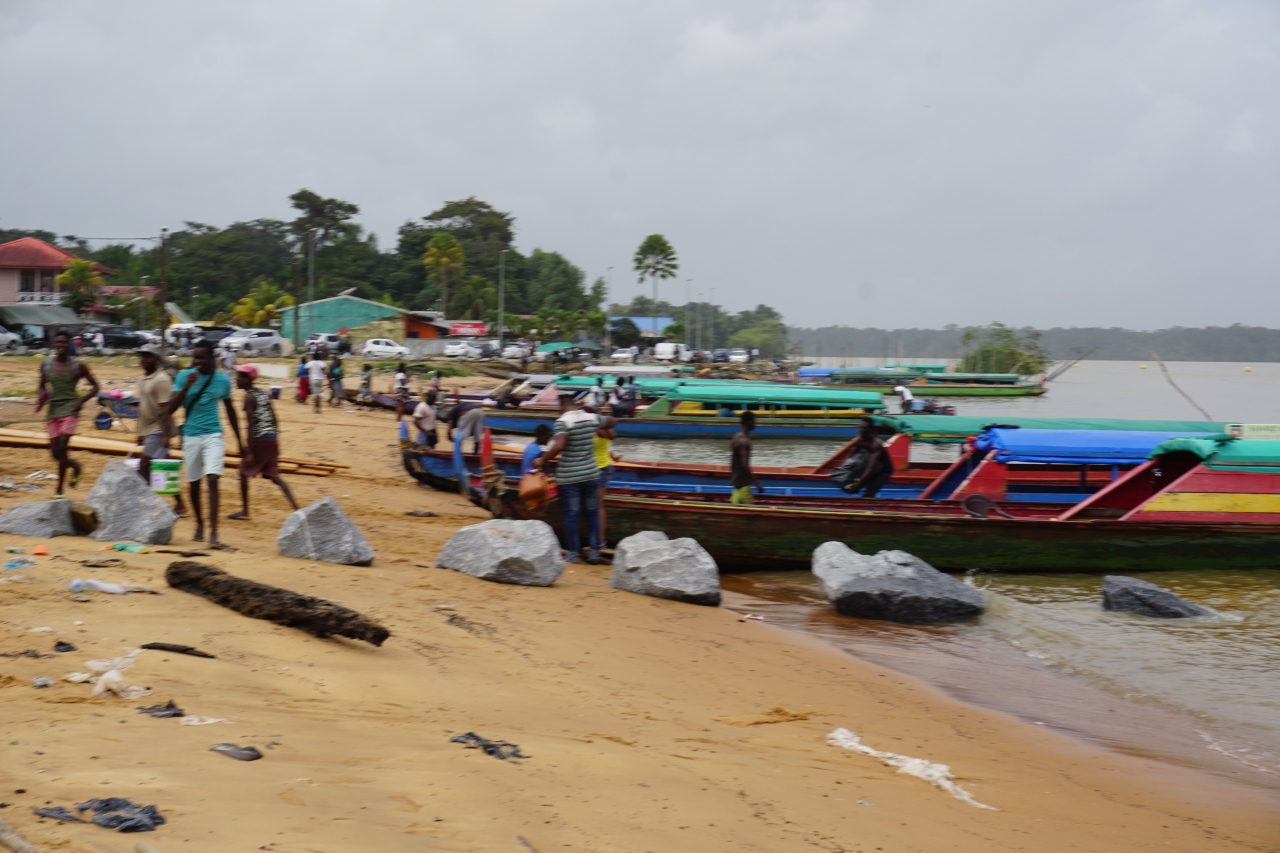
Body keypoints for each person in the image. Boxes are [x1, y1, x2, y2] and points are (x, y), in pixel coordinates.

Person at [162, 339, 241, 548]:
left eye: (201, 357)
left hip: (213, 434)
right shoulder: (182, 377)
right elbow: (169, 409)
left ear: (211, 358)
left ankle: (214, 532)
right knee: (194, 484)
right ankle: (199, 523)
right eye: (195, 357)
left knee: (213, 479)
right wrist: (186, 386)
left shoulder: (222, 381)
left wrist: (240, 440)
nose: (197, 361)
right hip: (190, 435)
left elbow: (231, 410)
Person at [534, 393, 618, 563]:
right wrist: (595, 411)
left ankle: (572, 554)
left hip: (569, 477)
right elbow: (612, 423)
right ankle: (595, 552)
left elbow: (559, 445)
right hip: (591, 474)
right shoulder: (591, 418)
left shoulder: (562, 422)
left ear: (561, 408)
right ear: (575, 405)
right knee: (592, 513)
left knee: (571, 515)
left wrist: (542, 460)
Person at [228, 364, 299, 521]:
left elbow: (250, 425)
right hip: (271, 439)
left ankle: (245, 511)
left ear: (247, 379)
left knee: (242, 472)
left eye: (239, 376)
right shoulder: (263, 394)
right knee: (275, 476)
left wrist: (250, 451)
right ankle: (297, 508)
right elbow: (274, 418)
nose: (236, 379)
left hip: (259, 440)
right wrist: (275, 439)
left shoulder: (248, 397)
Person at [37, 332, 99, 495]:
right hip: (53, 410)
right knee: (56, 453)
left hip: (71, 408)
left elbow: (96, 386)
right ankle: (75, 466)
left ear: (69, 344)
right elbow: (42, 385)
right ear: (54, 345)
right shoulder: (46, 365)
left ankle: (59, 489)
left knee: (63, 447)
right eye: (58, 343)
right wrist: (41, 396)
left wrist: (81, 401)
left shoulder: (78, 365)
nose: (61, 346)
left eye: (64, 343)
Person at [135, 344, 187, 516]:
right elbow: (143, 406)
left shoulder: (162, 379)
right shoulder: (143, 379)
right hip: (148, 426)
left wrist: (166, 435)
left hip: (159, 426)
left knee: (145, 463)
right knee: (163, 467)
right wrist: (140, 432)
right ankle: (179, 504)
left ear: (156, 358)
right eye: (142, 356)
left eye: (148, 356)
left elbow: (166, 410)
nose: (144, 359)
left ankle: (147, 501)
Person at [843, 421, 895, 498]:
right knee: (852, 487)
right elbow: (850, 458)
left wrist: (859, 483)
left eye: (864, 428)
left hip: (883, 471)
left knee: (870, 492)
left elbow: (870, 467)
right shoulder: (859, 440)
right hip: (869, 467)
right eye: (860, 427)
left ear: (870, 429)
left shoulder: (876, 444)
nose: (861, 429)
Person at [730, 410, 765, 505]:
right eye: (754, 421)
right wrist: (757, 482)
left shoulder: (735, 438)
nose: (755, 424)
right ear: (748, 422)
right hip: (744, 488)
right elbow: (744, 465)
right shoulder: (744, 441)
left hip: (736, 489)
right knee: (750, 517)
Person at [593, 421, 619, 543]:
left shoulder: (599, 431)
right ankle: (598, 539)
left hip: (600, 469)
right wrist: (614, 457)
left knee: (598, 506)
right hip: (602, 467)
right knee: (597, 505)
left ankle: (600, 540)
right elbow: (608, 447)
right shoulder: (609, 432)